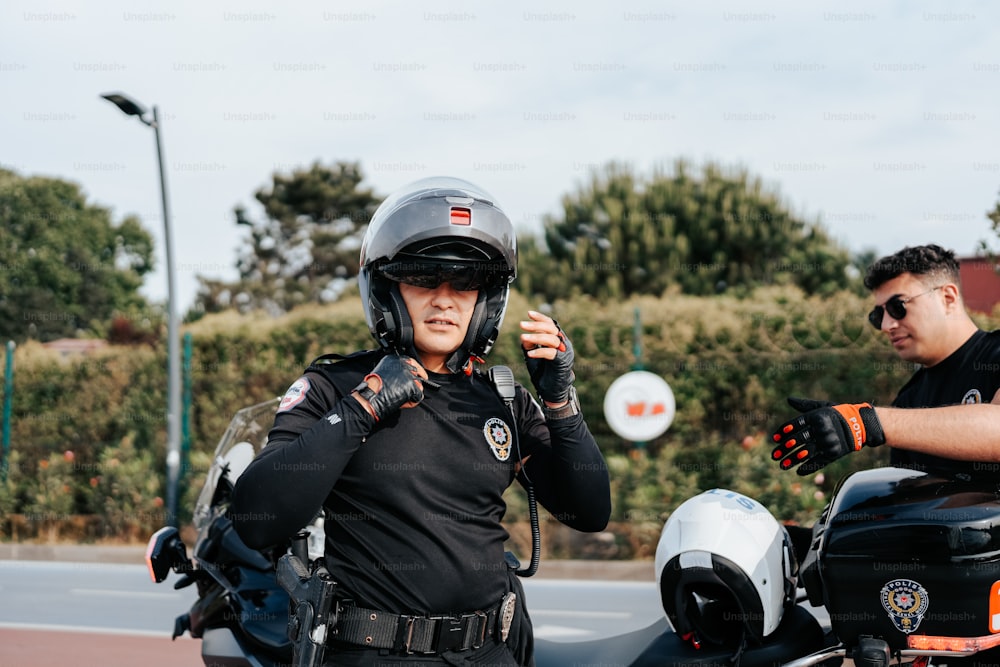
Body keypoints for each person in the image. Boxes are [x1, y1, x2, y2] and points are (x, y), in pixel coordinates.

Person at [228, 176, 611, 667]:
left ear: (486, 299)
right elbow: (257, 518)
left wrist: (559, 400)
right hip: (376, 653)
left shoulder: (503, 396)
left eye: (466, 283)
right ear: (387, 288)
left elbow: (590, 510)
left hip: (491, 652)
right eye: (424, 278)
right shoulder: (336, 386)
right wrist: (363, 406)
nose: (445, 300)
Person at [770, 243, 1000, 478]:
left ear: (947, 297)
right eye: (878, 315)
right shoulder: (909, 399)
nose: (885, 325)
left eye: (897, 306)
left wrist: (865, 421)